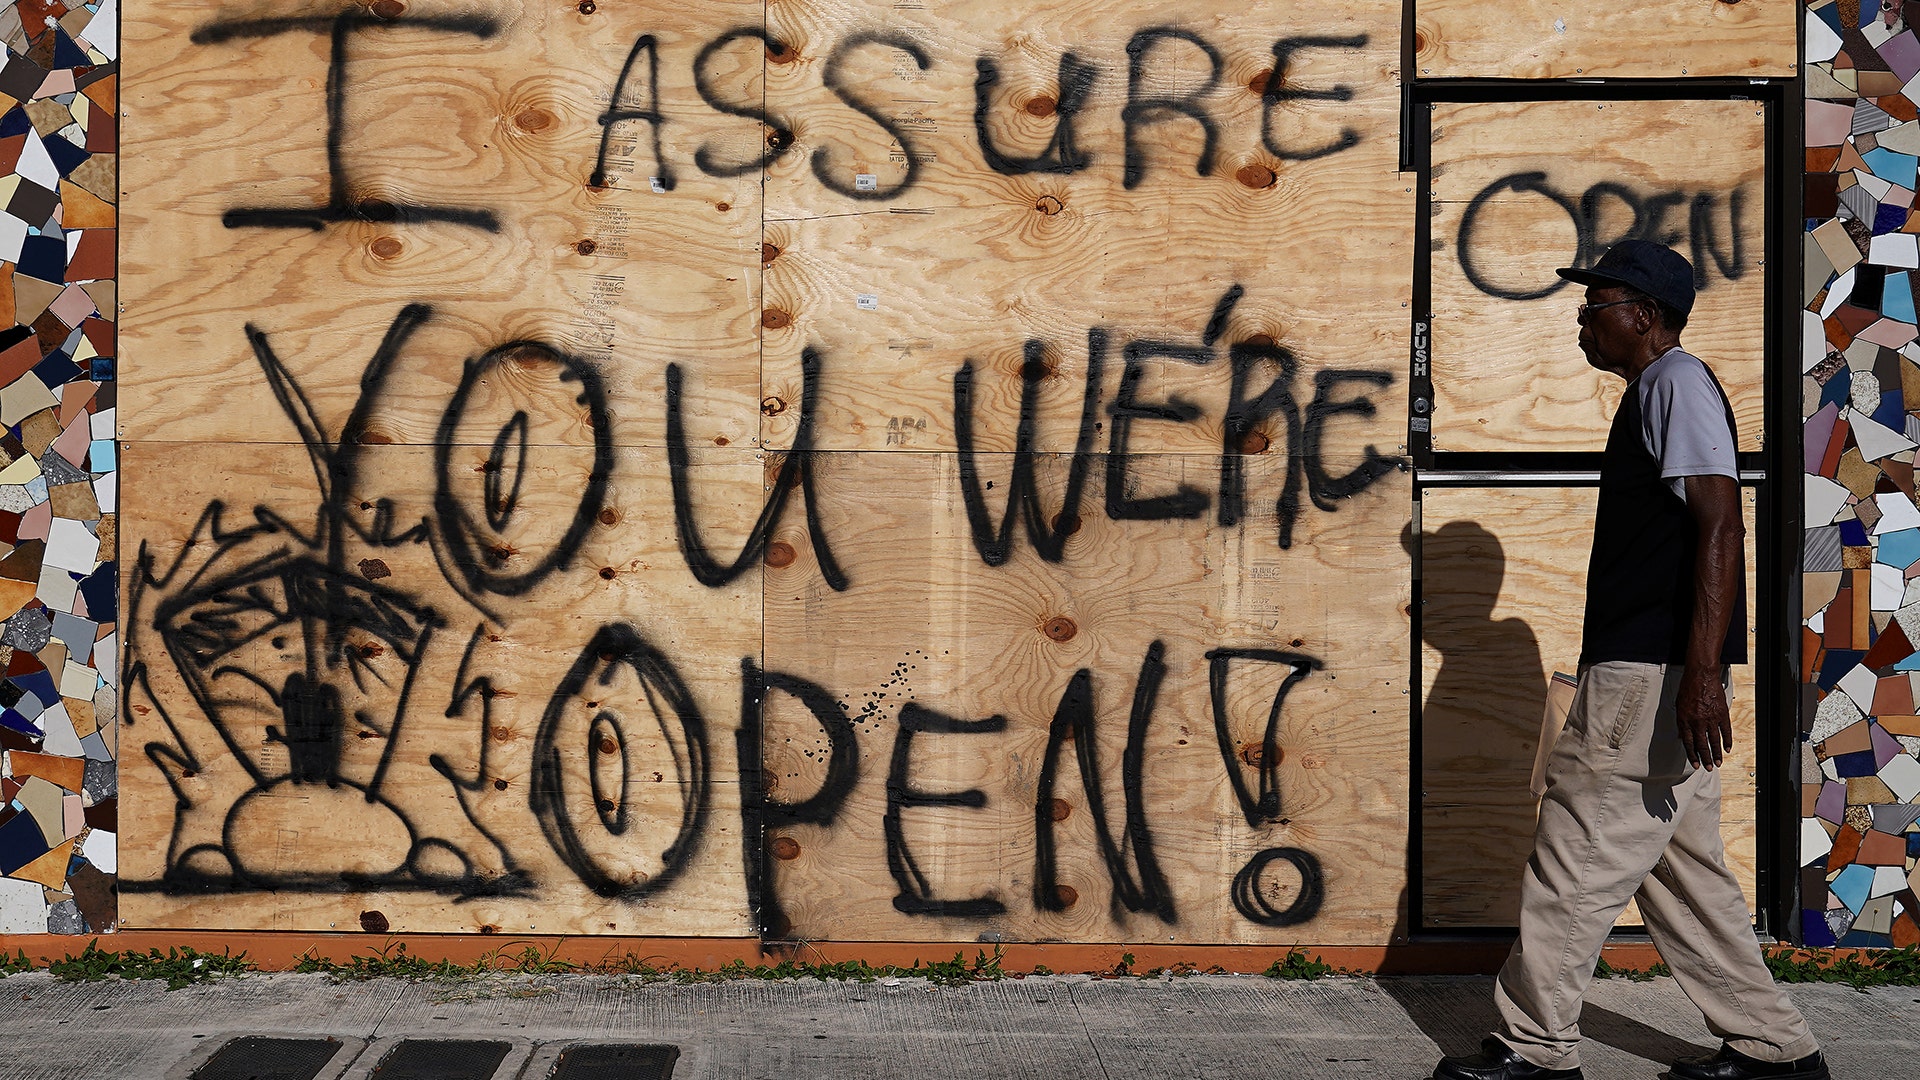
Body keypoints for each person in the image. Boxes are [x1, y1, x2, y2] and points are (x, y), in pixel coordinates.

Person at [1430, 240, 1828, 1080]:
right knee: (1685, 876)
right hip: (1662, 674)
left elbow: (1721, 525)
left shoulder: (1675, 382)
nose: (1582, 324)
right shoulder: (1659, 388)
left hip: (1649, 677)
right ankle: (1774, 1048)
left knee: (1573, 857)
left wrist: (1703, 677)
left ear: (1643, 316)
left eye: (1595, 308)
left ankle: (1535, 1049)